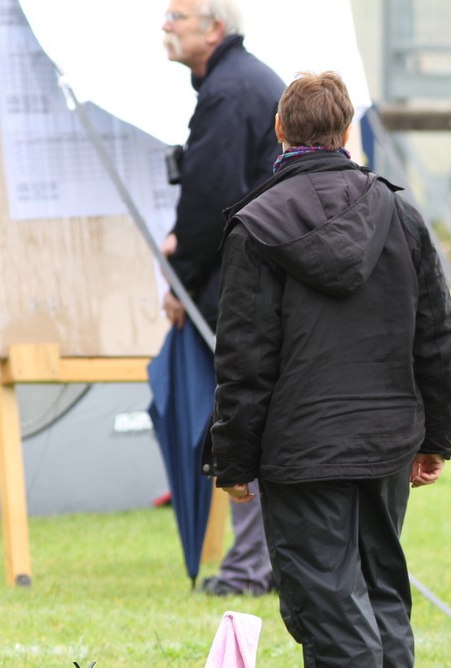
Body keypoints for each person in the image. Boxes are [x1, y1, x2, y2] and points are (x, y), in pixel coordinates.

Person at [210, 71, 451, 668]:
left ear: (281, 133)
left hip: (303, 442)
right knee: (381, 587)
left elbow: (245, 356)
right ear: (347, 133)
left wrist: (233, 459)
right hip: (386, 438)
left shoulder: (258, 224)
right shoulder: (400, 214)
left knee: (327, 594)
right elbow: (434, 334)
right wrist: (434, 435)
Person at [161, 0, 283, 596]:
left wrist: (180, 272)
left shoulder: (229, 92)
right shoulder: (242, 82)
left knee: (244, 419)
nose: (166, 24)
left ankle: (250, 569)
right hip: (269, 282)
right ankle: (267, 563)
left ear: (215, 28)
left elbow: (212, 200)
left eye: (178, 15)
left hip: (246, 288)